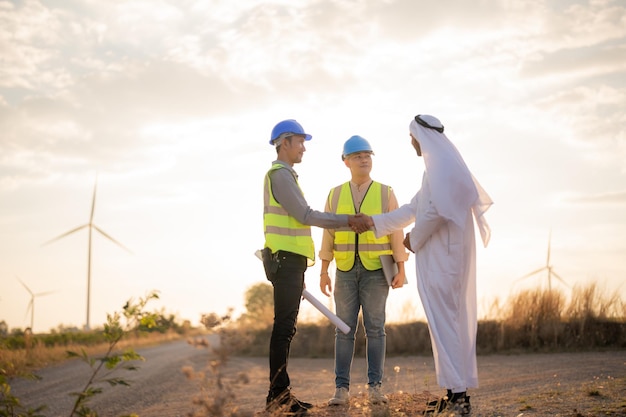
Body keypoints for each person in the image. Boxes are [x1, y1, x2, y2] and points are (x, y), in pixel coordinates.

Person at [365, 114, 492, 415]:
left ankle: (459, 397)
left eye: (412, 138)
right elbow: (414, 208)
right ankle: (454, 392)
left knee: (447, 324)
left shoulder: (443, 169)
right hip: (441, 261)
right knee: (445, 325)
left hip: (443, 262)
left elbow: (434, 213)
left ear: (422, 137)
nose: (411, 143)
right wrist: (374, 222)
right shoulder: (437, 170)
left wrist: (412, 240)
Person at [262, 119, 369, 415]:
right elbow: (306, 215)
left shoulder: (287, 176)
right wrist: (349, 220)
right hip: (285, 261)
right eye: (300, 141)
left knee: (287, 327)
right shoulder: (280, 175)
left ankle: (280, 393)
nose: (304, 148)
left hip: (290, 262)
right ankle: (278, 396)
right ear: (285, 142)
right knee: (283, 328)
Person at [318, 135, 408, 406]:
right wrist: (323, 270)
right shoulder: (334, 194)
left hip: (376, 270)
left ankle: (375, 387)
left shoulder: (385, 192)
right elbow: (328, 233)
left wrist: (401, 268)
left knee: (376, 329)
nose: (364, 159)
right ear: (346, 161)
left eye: (367, 154)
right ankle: (341, 389)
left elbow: (396, 230)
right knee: (343, 330)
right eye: (357, 155)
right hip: (344, 269)